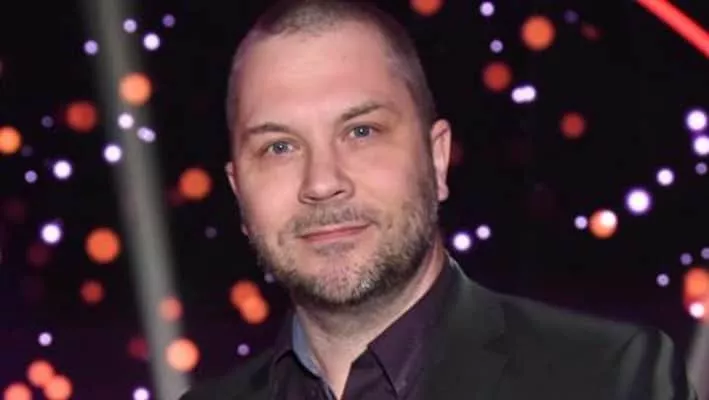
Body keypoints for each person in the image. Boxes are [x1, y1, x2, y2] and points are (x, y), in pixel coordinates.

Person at [180, 0, 697, 398]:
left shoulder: (606, 379)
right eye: (279, 147)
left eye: (361, 132)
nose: (321, 181)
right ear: (238, 192)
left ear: (437, 159)